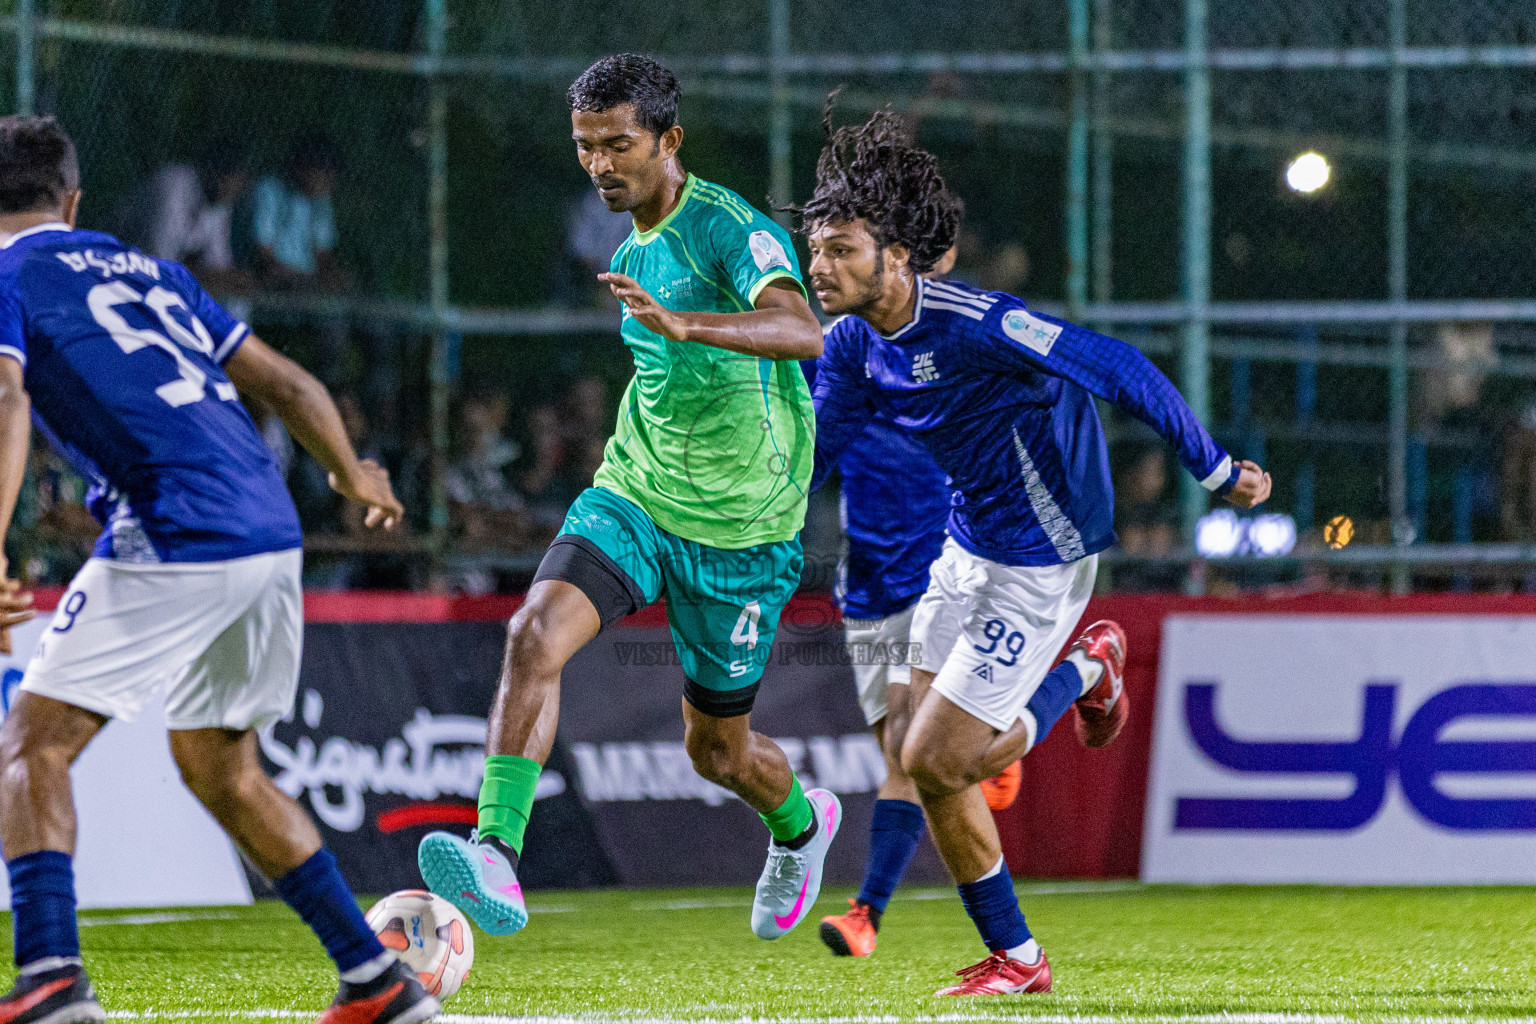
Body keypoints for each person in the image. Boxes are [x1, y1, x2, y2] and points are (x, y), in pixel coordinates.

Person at [802, 105, 1271, 996]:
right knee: (915, 749)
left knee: (945, 760)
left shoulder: (978, 322)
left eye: (842, 249)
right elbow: (817, 454)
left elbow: (1118, 368)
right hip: (965, 543)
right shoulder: (856, 343)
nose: (821, 267)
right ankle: (1016, 959)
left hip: (1043, 557)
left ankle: (1087, 668)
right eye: (817, 250)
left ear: (895, 256)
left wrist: (1214, 472)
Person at [0, 116, 432, 1024]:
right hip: (271, 532)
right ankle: (375, 978)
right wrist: (352, 471)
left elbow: (5, 395)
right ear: (72, 201)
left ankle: (50, 976)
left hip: (176, 527)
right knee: (223, 772)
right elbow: (290, 385)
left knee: (31, 744)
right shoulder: (153, 271)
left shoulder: (6, 277)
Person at [417, 54, 838, 943]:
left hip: (742, 532)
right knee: (532, 633)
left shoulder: (729, 227)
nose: (602, 165)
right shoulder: (629, 247)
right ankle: (496, 850)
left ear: (669, 140)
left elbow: (805, 329)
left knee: (717, 752)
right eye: (585, 148)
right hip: (636, 496)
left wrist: (690, 323)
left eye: (619, 145)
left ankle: (801, 829)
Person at [813, 243, 1028, 960]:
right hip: (866, 587)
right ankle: (1041, 708)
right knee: (904, 756)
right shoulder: (840, 350)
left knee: (908, 752)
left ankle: (866, 913)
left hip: (940, 579)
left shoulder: (956, 349)